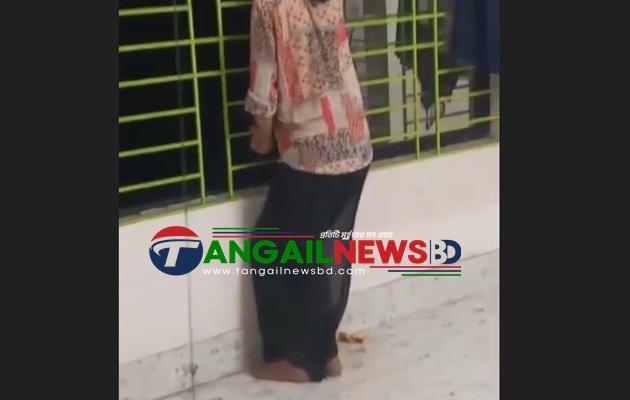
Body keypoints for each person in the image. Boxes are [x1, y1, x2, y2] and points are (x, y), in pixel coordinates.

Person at [244, 0, 373, 383]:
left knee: (270, 248)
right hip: (354, 138)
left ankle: (295, 360)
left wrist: (262, 136)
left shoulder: (269, 4)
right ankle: (325, 353)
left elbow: (265, 77)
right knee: (326, 249)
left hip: (313, 148)